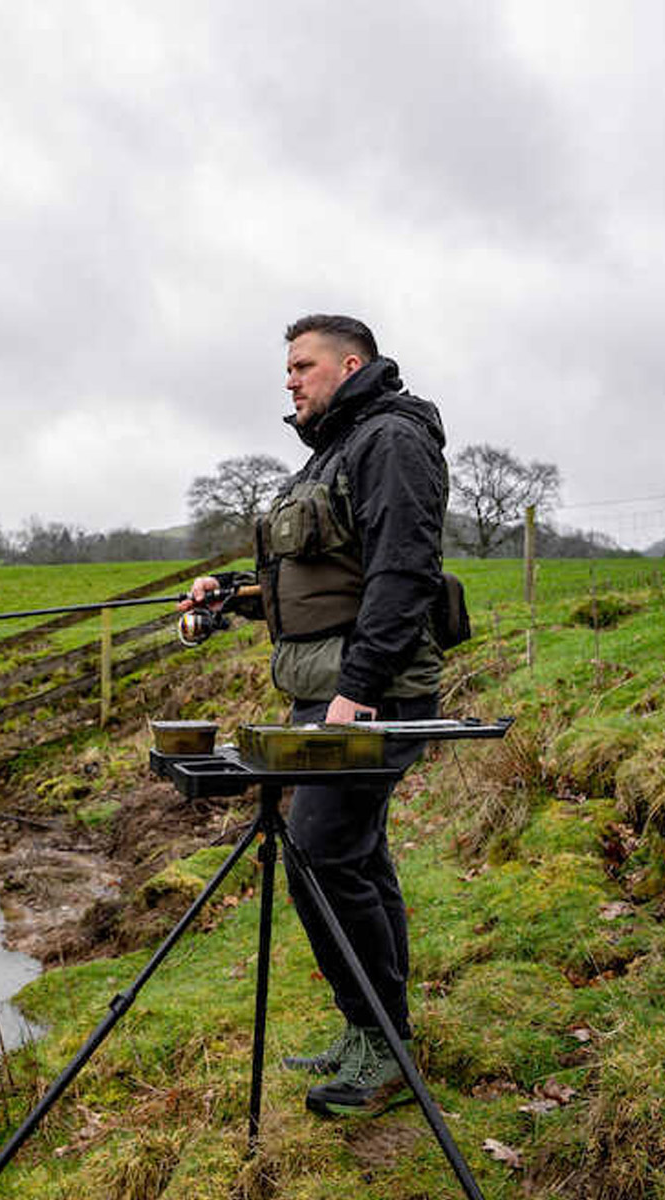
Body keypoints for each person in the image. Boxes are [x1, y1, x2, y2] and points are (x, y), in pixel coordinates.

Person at [181, 314, 448, 1118]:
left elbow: (404, 575)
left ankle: (383, 1044)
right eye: (287, 369)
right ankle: (378, 1031)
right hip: (328, 690)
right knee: (351, 856)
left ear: (350, 363)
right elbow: (321, 576)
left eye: (302, 365)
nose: (289, 380)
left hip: (373, 694)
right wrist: (230, 594)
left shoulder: (391, 442)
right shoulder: (335, 449)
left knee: (325, 855)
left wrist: (357, 690)